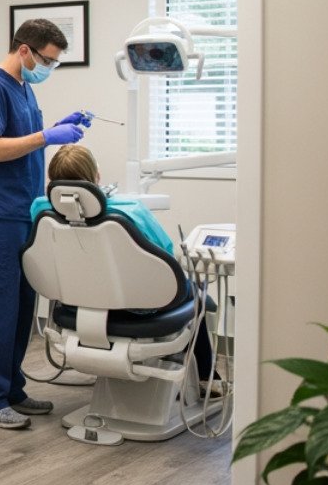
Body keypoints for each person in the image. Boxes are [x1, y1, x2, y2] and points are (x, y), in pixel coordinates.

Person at [0, 17, 90, 430]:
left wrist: (51, 128)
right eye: (47, 60)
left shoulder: (23, 88)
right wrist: (47, 136)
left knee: (20, 308)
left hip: (23, 209)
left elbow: (22, 140)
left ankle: (11, 388)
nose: (48, 69)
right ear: (24, 50)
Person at [30, 144, 219, 387]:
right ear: (96, 176)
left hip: (76, 308)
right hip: (136, 310)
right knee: (197, 293)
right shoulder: (128, 211)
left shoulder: (41, 211)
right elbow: (166, 255)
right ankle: (207, 379)